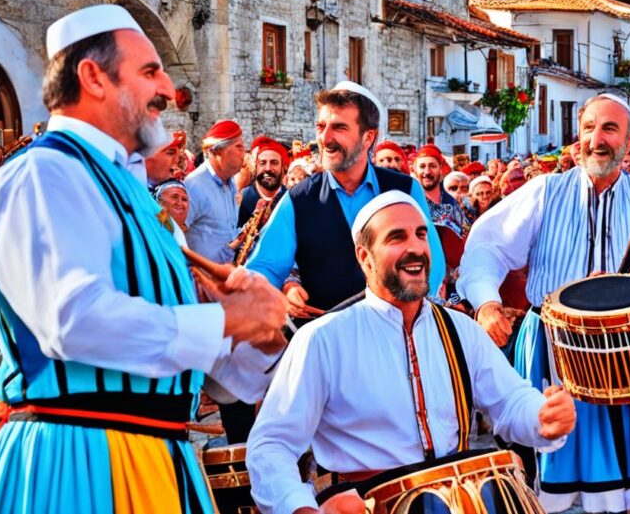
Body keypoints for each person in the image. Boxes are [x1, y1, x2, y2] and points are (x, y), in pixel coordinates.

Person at [0, 4, 287, 513]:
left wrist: (259, 335)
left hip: (156, 459)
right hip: (78, 460)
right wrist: (223, 321)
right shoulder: (44, 174)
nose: (168, 91)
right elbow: (72, 319)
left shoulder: (134, 197)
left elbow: (197, 365)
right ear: (92, 76)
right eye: (149, 71)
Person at [457, 94, 630, 514]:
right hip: (554, 356)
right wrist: (487, 302)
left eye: (610, 129)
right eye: (589, 128)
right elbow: (486, 246)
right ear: (577, 135)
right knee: (540, 495)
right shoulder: (544, 191)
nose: (597, 139)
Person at [246, 191, 576, 513]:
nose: (416, 248)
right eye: (397, 237)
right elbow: (272, 445)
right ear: (365, 257)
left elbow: (510, 400)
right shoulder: (323, 339)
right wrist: (299, 507)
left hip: (456, 502)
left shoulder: (459, 330)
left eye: (421, 234)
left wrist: (542, 417)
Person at [246, 81, 444, 319]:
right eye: (321, 127)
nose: (325, 138)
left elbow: (433, 265)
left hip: (392, 332)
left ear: (368, 137)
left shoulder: (405, 190)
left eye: (339, 128)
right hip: (326, 342)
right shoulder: (299, 199)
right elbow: (263, 268)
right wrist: (282, 294)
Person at [185, 119, 245, 264]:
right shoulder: (194, 185)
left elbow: (225, 233)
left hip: (222, 278)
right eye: (239, 147)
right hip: (199, 280)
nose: (244, 153)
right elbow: (173, 233)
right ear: (219, 151)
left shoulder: (230, 183)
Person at [413, 144, 468, 237]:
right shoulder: (412, 201)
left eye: (432, 166)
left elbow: (465, 234)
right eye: (422, 166)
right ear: (415, 170)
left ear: (440, 169)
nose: (427, 172)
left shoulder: (452, 203)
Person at [238, 137, 289, 228]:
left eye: (274, 163)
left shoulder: (290, 199)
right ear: (256, 167)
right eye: (262, 163)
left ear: (284, 167)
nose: (268, 168)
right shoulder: (242, 200)